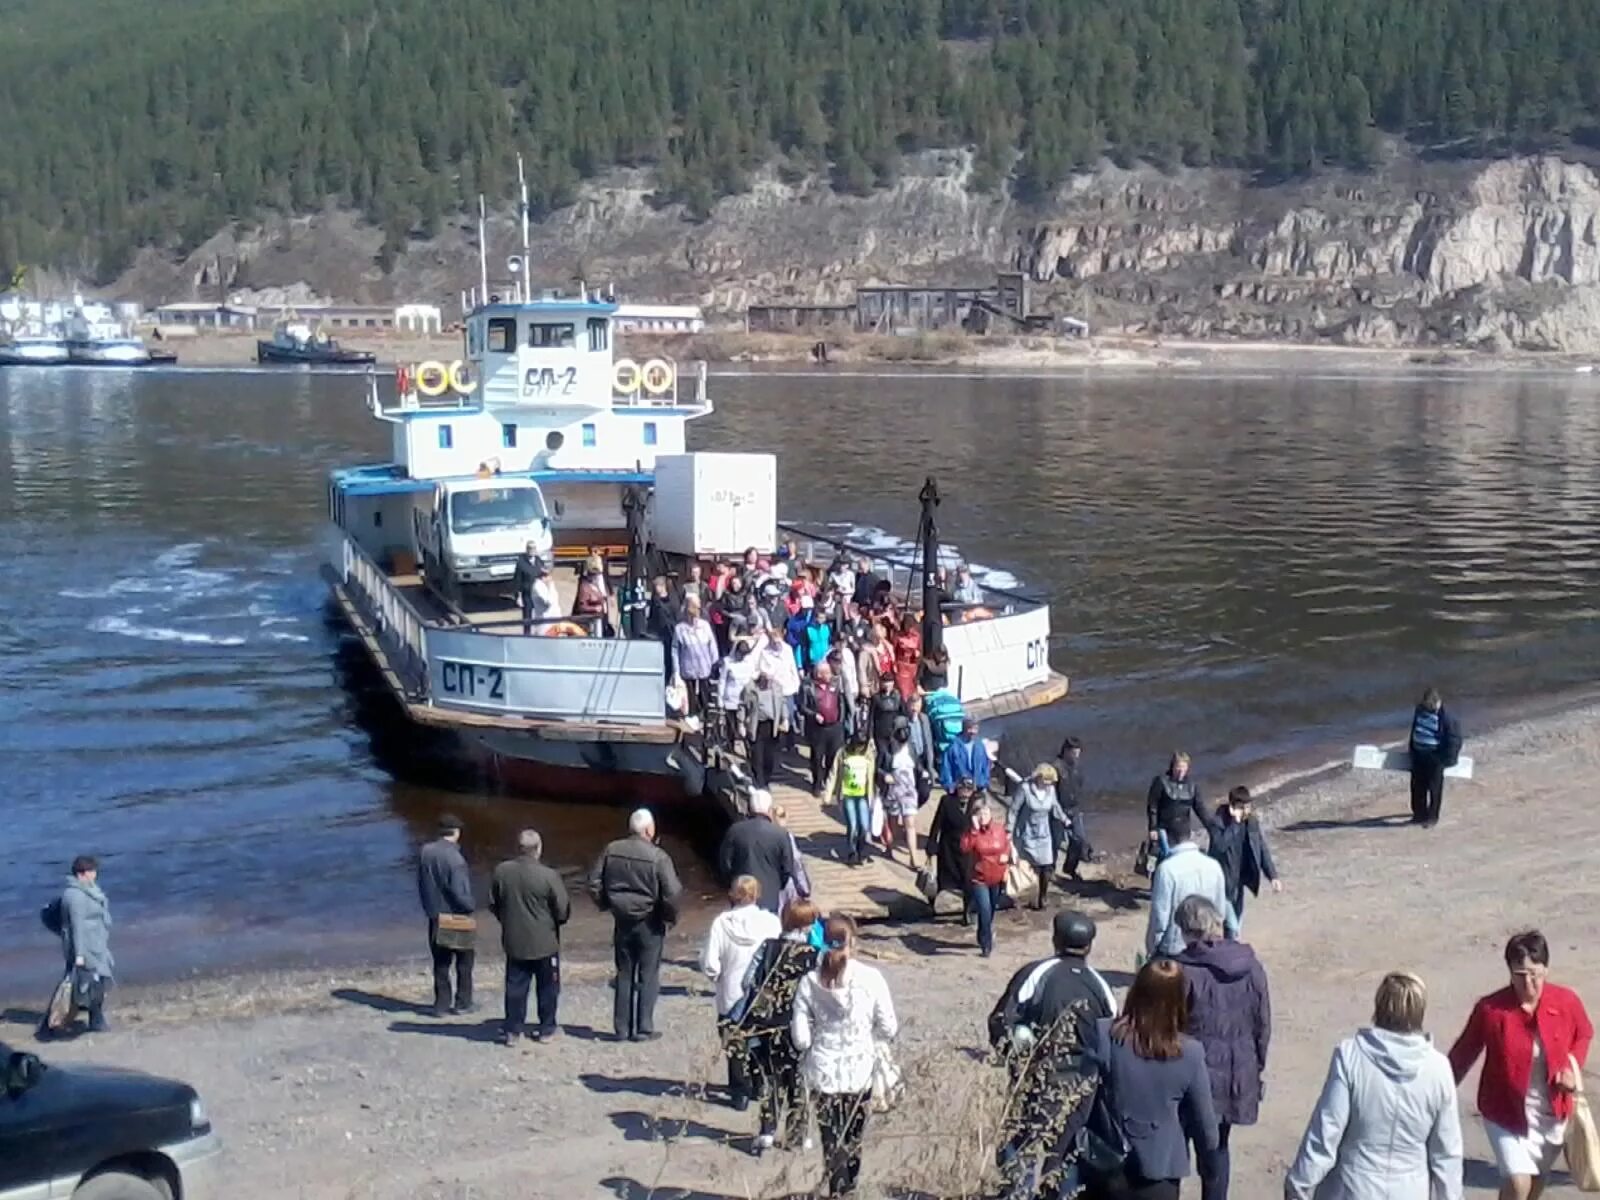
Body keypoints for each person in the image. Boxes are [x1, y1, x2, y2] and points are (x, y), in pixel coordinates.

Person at [1286, 971, 1463, 1200]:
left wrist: (1299, 1183)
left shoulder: (1351, 1055)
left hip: (1353, 1186)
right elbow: (1446, 1151)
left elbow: (1326, 1128)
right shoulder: (1438, 1068)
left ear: (1379, 1006)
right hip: (1410, 1191)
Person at [1448, 930, 1593, 1200]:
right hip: (1505, 1113)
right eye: (1519, 974)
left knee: (1534, 1186)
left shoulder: (1566, 1002)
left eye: (1534, 974)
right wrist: (1437, 1093)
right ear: (1510, 973)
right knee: (1518, 1183)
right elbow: (1463, 1054)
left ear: (1546, 970)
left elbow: (1584, 1032)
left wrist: (1572, 1067)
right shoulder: (1491, 1010)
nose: (1528, 983)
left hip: (1552, 1112)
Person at [989, 911, 1118, 1200]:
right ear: (1089, 945)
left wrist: (1014, 1056)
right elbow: (1111, 1039)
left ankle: (1015, 1194)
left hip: (1037, 1075)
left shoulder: (1035, 974)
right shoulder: (1100, 986)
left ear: (1055, 939)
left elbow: (1000, 1020)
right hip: (1083, 1083)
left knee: (1022, 1142)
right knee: (1066, 1149)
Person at [1089, 959, 1219, 1200]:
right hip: (1161, 1171)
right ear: (1180, 1000)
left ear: (1136, 991)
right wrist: (1210, 1173)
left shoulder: (1104, 1034)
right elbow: (1206, 1127)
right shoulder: (1189, 1053)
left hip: (1107, 1165)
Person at [792, 916, 899, 1198]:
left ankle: (837, 1190)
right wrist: (869, 1037)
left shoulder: (808, 982)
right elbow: (889, 1026)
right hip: (860, 1069)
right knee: (854, 1136)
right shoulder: (870, 977)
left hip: (823, 1070)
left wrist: (817, 1038)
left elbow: (800, 1039)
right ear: (852, 942)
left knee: (831, 1139)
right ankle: (849, 1187)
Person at [1172, 897, 1270, 1200]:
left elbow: (1169, 1026)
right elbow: (1262, 1023)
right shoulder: (1251, 966)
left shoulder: (1182, 971)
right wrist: (1255, 1068)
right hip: (1232, 1072)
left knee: (1175, 1150)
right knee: (1217, 1149)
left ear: (1187, 929)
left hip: (1189, 1077)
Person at [589, 808, 684, 1042]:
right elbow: (673, 893)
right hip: (650, 921)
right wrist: (668, 917)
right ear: (649, 830)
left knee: (624, 973)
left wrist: (607, 904)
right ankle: (643, 1027)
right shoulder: (658, 857)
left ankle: (621, 1029)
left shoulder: (612, 850)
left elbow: (593, 882)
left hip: (621, 919)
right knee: (648, 974)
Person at [740, 899, 822, 1152]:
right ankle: (797, 1134)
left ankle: (766, 1130)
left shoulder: (768, 948)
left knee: (770, 1077)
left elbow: (747, 982)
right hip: (800, 1024)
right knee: (799, 1078)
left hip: (768, 1022)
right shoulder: (813, 955)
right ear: (807, 925)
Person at [702, 876, 783, 1111]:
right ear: (757, 894)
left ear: (733, 894)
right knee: (759, 1039)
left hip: (731, 990)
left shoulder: (721, 923)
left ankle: (739, 1092)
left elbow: (710, 962)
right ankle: (760, 1085)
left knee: (734, 1041)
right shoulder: (771, 922)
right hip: (761, 992)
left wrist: (717, 977)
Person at [489, 829, 570, 1045]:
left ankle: (513, 1030)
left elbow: (493, 903)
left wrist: (506, 920)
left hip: (515, 940)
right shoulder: (549, 875)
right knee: (548, 988)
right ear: (539, 849)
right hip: (545, 942)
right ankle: (546, 1029)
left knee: (515, 987)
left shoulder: (502, 872)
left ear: (518, 848)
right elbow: (562, 911)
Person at [1145, 811, 1236, 961]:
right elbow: (1219, 909)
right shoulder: (1213, 865)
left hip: (1175, 947)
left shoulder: (1167, 869)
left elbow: (1160, 916)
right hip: (1206, 943)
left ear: (1168, 837)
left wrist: (1152, 947)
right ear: (1190, 835)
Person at [418, 814, 475, 1017]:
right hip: (456, 917)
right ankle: (463, 1003)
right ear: (457, 833)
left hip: (434, 915)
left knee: (441, 963)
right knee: (464, 962)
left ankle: (441, 1005)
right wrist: (471, 906)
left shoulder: (425, 852)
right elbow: (460, 893)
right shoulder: (456, 859)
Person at [1204, 787, 1281, 927]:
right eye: (1243, 807)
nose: (1247, 811)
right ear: (1233, 807)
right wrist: (1234, 824)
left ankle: (1230, 946)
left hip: (1240, 878)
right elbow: (1220, 846)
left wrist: (1273, 876)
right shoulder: (1217, 822)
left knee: (1236, 921)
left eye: (1248, 806)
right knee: (1232, 926)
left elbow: (1261, 848)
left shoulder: (1251, 822)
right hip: (1223, 880)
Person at [55, 855, 113, 1034]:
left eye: (94, 871)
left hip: (97, 944)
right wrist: (79, 954)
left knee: (95, 982)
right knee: (91, 983)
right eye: (91, 871)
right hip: (85, 947)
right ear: (81, 874)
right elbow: (77, 926)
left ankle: (91, 1017)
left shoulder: (90, 890)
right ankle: (95, 1020)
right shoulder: (75, 897)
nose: (94, 874)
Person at [718, 789, 797, 915]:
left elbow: (725, 864)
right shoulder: (780, 834)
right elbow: (787, 868)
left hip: (740, 894)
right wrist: (777, 886)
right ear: (770, 810)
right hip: (770, 896)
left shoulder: (734, 831)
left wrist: (732, 884)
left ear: (749, 808)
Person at [1008, 763, 1071, 910]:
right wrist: (1008, 829)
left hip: (1044, 834)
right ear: (1038, 777)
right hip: (1026, 833)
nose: (1048, 783)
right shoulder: (1025, 789)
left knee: (1047, 866)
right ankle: (1026, 895)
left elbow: (1055, 806)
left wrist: (1065, 819)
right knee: (1028, 867)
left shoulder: (1051, 790)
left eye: (1051, 780)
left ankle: (1043, 896)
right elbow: (1013, 810)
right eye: (1045, 780)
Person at [960, 799, 1012, 958]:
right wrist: (974, 831)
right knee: (984, 909)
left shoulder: (998, 829)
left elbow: (1006, 844)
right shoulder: (971, 832)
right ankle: (986, 943)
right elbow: (964, 847)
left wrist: (1006, 856)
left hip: (996, 876)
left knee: (991, 910)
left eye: (986, 812)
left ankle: (983, 931)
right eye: (980, 813)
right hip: (979, 878)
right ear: (974, 816)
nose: (983, 816)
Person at [1408, 686, 1463, 828]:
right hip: (1419, 754)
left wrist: (1447, 759)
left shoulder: (1447, 717)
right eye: (1427, 705)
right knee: (1417, 786)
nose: (1430, 707)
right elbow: (1415, 730)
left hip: (1436, 756)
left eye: (1432, 705)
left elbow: (1454, 739)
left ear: (1438, 702)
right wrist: (1412, 750)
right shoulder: (1419, 711)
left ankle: (1432, 817)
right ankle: (1419, 814)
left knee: (1434, 788)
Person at [927, 778, 978, 916]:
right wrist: (931, 846)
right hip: (948, 848)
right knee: (941, 880)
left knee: (968, 881)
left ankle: (967, 912)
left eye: (969, 788)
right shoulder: (947, 801)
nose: (966, 791)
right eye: (963, 788)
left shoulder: (976, 803)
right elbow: (936, 824)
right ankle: (931, 904)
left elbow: (984, 822)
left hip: (967, 849)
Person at [799, 660, 849, 797]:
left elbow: (841, 702)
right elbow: (802, 707)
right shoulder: (808, 687)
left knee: (833, 757)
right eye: (826, 673)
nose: (830, 675)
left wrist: (841, 718)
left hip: (834, 727)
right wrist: (813, 715)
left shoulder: (835, 683)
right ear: (819, 674)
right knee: (817, 757)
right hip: (817, 729)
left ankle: (829, 782)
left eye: (830, 672)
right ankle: (817, 783)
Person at [1147, 752, 1208, 858]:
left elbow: (1200, 808)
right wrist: (1153, 828)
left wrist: (1211, 826)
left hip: (1183, 830)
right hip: (1165, 830)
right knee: (1166, 858)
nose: (1181, 771)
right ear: (1172, 766)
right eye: (1178, 767)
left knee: (1182, 858)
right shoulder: (1161, 781)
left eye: (1184, 767)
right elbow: (1153, 806)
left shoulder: (1192, 786)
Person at [878, 723, 921, 870]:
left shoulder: (911, 749)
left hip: (909, 791)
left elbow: (918, 765)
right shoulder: (887, 750)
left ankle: (913, 858)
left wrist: (925, 774)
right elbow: (878, 768)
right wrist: (885, 775)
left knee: (910, 824)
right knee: (894, 825)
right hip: (893, 791)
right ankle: (889, 847)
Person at [1056, 736, 1097, 878]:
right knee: (1055, 842)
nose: (1077, 756)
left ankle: (1070, 868)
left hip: (1075, 809)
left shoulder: (1077, 768)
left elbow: (1079, 787)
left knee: (1079, 840)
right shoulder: (1056, 767)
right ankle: (1048, 871)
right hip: (1059, 809)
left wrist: (1080, 807)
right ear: (1066, 751)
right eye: (1074, 753)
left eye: (1078, 753)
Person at [672, 594, 720, 716]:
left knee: (705, 696)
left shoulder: (705, 626)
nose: (694, 618)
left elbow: (712, 644)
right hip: (687, 668)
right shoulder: (680, 629)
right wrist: (676, 671)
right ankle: (691, 718)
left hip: (704, 667)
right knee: (690, 697)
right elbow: (675, 651)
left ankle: (705, 718)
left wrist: (714, 662)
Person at [740, 668, 788, 787]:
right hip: (757, 726)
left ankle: (766, 780)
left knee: (769, 758)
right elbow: (742, 706)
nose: (768, 682)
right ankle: (759, 784)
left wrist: (785, 719)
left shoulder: (777, 687)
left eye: (770, 679)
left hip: (772, 727)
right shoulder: (750, 688)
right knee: (757, 758)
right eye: (765, 679)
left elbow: (782, 703)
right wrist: (741, 723)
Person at [834, 735, 875, 866]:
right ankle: (852, 852)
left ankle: (861, 850)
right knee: (852, 825)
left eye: (863, 746)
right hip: (848, 794)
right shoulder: (843, 754)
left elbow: (872, 775)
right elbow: (834, 772)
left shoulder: (868, 755)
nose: (860, 748)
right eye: (859, 745)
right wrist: (829, 793)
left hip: (863, 795)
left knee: (864, 825)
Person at [770, 804, 813, 913]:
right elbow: (795, 862)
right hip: (786, 883)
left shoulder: (766, 833)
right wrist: (804, 887)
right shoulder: (786, 836)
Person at [514, 546, 558, 634]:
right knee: (527, 617)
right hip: (527, 593)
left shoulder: (538, 560)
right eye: (530, 549)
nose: (532, 551)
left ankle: (539, 632)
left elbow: (544, 571)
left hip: (538, 593)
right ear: (527, 550)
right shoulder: (521, 563)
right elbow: (517, 580)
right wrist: (518, 596)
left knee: (541, 615)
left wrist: (546, 582)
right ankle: (527, 634)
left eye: (534, 549)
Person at [941, 716, 992, 792]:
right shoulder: (953, 747)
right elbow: (946, 768)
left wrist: (985, 782)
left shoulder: (979, 745)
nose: (973, 732)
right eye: (970, 728)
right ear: (964, 729)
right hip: (960, 788)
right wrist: (949, 786)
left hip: (978, 786)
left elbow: (985, 765)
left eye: (976, 729)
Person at [905, 692, 936, 808]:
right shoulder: (902, 721)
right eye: (912, 705)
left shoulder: (924, 719)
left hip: (923, 760)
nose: (914, 708)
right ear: (908, 705)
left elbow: (928, 740)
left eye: (917, 705)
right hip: (910, 762)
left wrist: (930, 765)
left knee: (924, 793)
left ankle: (913, 808)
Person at [644, 576, 679, 678]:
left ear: (663, 586)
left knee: (671, 658)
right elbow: (652, 617)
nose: (656, 589)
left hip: (670, 632)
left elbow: (675, 615)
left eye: (657, 586)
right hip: (659, 633)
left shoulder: (672, 599)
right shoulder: (655, 600)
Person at [574, 553, 611, 635]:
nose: (596, 576)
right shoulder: (585, 587)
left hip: (599, 621)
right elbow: (581, 607)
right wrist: (594, 608)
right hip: (589, 625)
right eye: (594, 574)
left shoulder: (596, 586)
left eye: (597, 574)